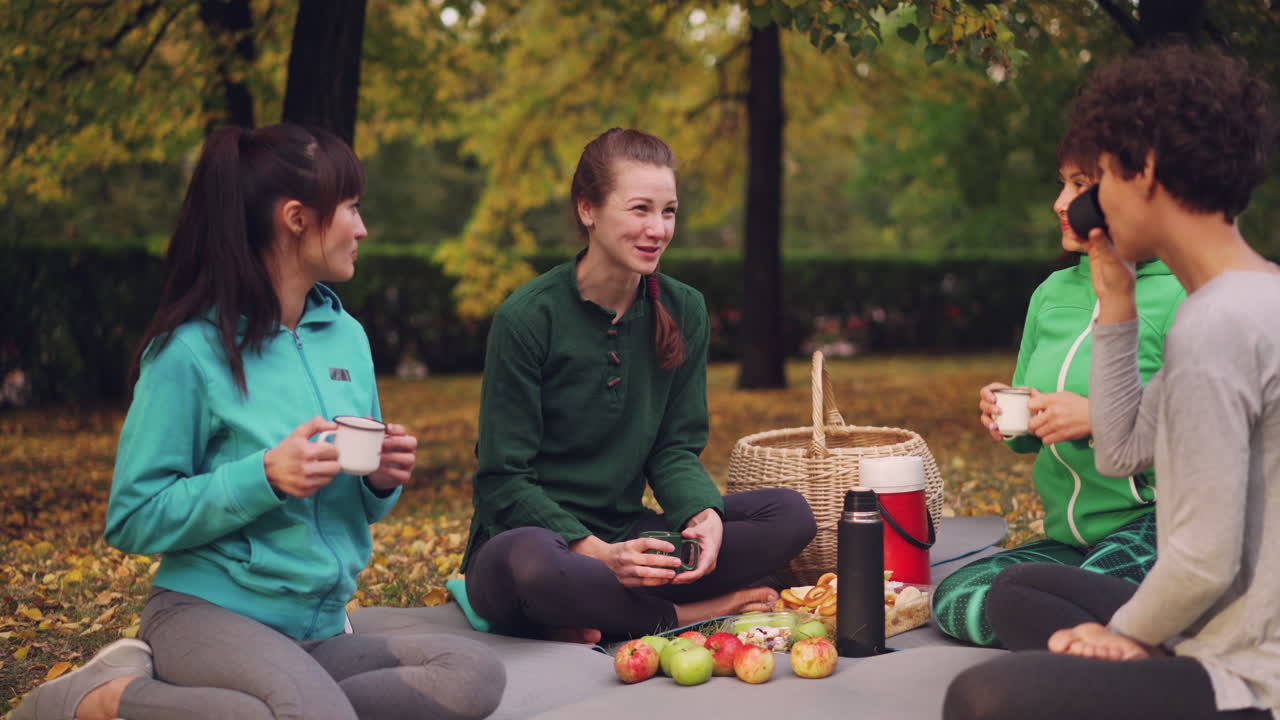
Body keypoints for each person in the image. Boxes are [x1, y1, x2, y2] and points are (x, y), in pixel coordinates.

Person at [14, 124, 505, 720]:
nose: (362, 228)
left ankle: (266, 705)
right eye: (351, 208)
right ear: (296, 218)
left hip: (319, 628)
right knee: (308, 710)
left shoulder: (345, 337)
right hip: (207, 613)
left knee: (473, 675)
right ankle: (105, 700)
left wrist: (380, 481)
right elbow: (133, 517)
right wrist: (265, 477)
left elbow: (361, 507)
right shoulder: (190, 351)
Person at [945, 44, 1279, 719]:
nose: (1086, 203)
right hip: (1216, 620)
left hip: (1249, 667)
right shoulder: (1248, 295)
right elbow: (1122, 449)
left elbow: (1202, 561)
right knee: (1023, 585)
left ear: (1145, 171)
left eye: (1098, 179)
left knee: (979, 698)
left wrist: (1121, 635)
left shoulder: (1218, 325)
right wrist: (1117, 309)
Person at [462, 128, 817, 643]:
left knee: (788, 514)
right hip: (532, 541)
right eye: (640, 209)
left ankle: (600, 614)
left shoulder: (684, 308)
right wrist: (600, 556)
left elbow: (674, 448)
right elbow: (502, 478)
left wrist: (703, 517)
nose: (658, 229)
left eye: (668, 211)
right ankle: (690, 613)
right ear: (588, 209)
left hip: (630, 531)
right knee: (534, 568)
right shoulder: (528, 317)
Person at [931, 130, 1185, 647]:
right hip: (1071, 541)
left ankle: (1124, 630)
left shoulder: (1179, 294)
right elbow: (1030, 438)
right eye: (1061, 184)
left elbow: (1209, 439)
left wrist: (1099, 419)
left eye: (1079, 185)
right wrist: (1012, 416)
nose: (1060, 202)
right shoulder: (1050, 294)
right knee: (957, 596)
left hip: (1153, 526)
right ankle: (1110, 634)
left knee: (1041, 596)